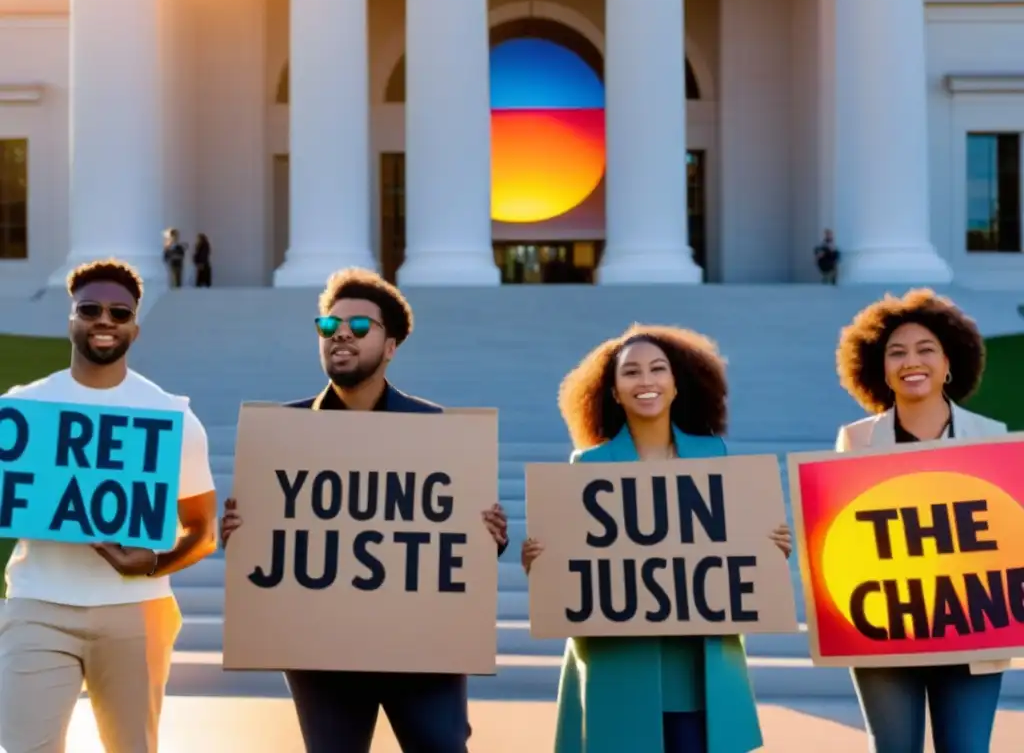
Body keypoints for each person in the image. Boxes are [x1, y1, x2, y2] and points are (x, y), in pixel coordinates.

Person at [219, 267, 509, 753]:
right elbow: (274, 538)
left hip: (422, 648)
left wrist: (487, 536)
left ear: (390, 346)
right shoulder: (281, 431)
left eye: (358, 327)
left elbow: (453, 541)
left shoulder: (436, 430)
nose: (341, 337)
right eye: (329, 327)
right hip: (322, 648)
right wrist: (242, 532)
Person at [521, 324, 793, 753]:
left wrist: (769, 547)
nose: (646, 381)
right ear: (612, 391)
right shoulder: (588, 465)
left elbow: (739, 553)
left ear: (676, 383)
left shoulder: (715, 456)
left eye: (657, 369)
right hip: (619, 665)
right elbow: (573, 570)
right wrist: (541, 559)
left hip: (697, 669)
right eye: (630, 372)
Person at [0, 259, 218, 753]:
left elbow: (202, 532)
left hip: (136, 612)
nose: (104, 320)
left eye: (119, 313)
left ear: (135, 329)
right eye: (90, 309)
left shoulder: (171, 418)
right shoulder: (24, 409)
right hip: (39, 605)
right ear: (71, 319)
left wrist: (154, 563)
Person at [835, 289, 1007, 753]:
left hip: (973, 628)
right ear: (880, 369)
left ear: (949, 363)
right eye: (897, 353)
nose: (912, 361)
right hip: (886, 628)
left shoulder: (992, 438)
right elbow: (839, 533)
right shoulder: (855, 440)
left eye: (925, 349)